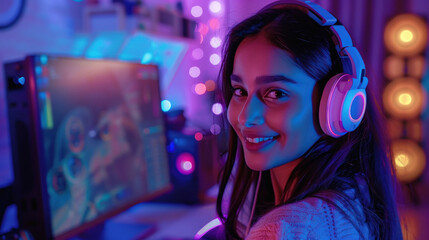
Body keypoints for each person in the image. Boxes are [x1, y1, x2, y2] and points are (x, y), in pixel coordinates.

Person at [209, 0, 403, 239]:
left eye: (276, 93)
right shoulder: (355, 194)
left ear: (337, 106)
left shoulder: (283, 231)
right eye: (239, 91)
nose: (245, 117)